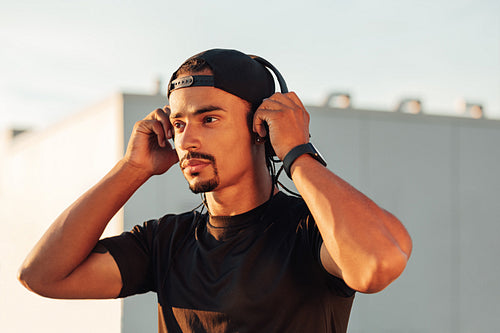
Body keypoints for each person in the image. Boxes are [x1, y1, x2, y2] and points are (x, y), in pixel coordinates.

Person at [18, 49, 412, 333]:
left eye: (209, 118)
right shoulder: (165, 240)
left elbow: (376, 264)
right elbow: (42, 276)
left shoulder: (312, 232)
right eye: (179, 123)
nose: (187, 139)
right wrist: (131, 169)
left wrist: (298, 153)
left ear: (261, 126)